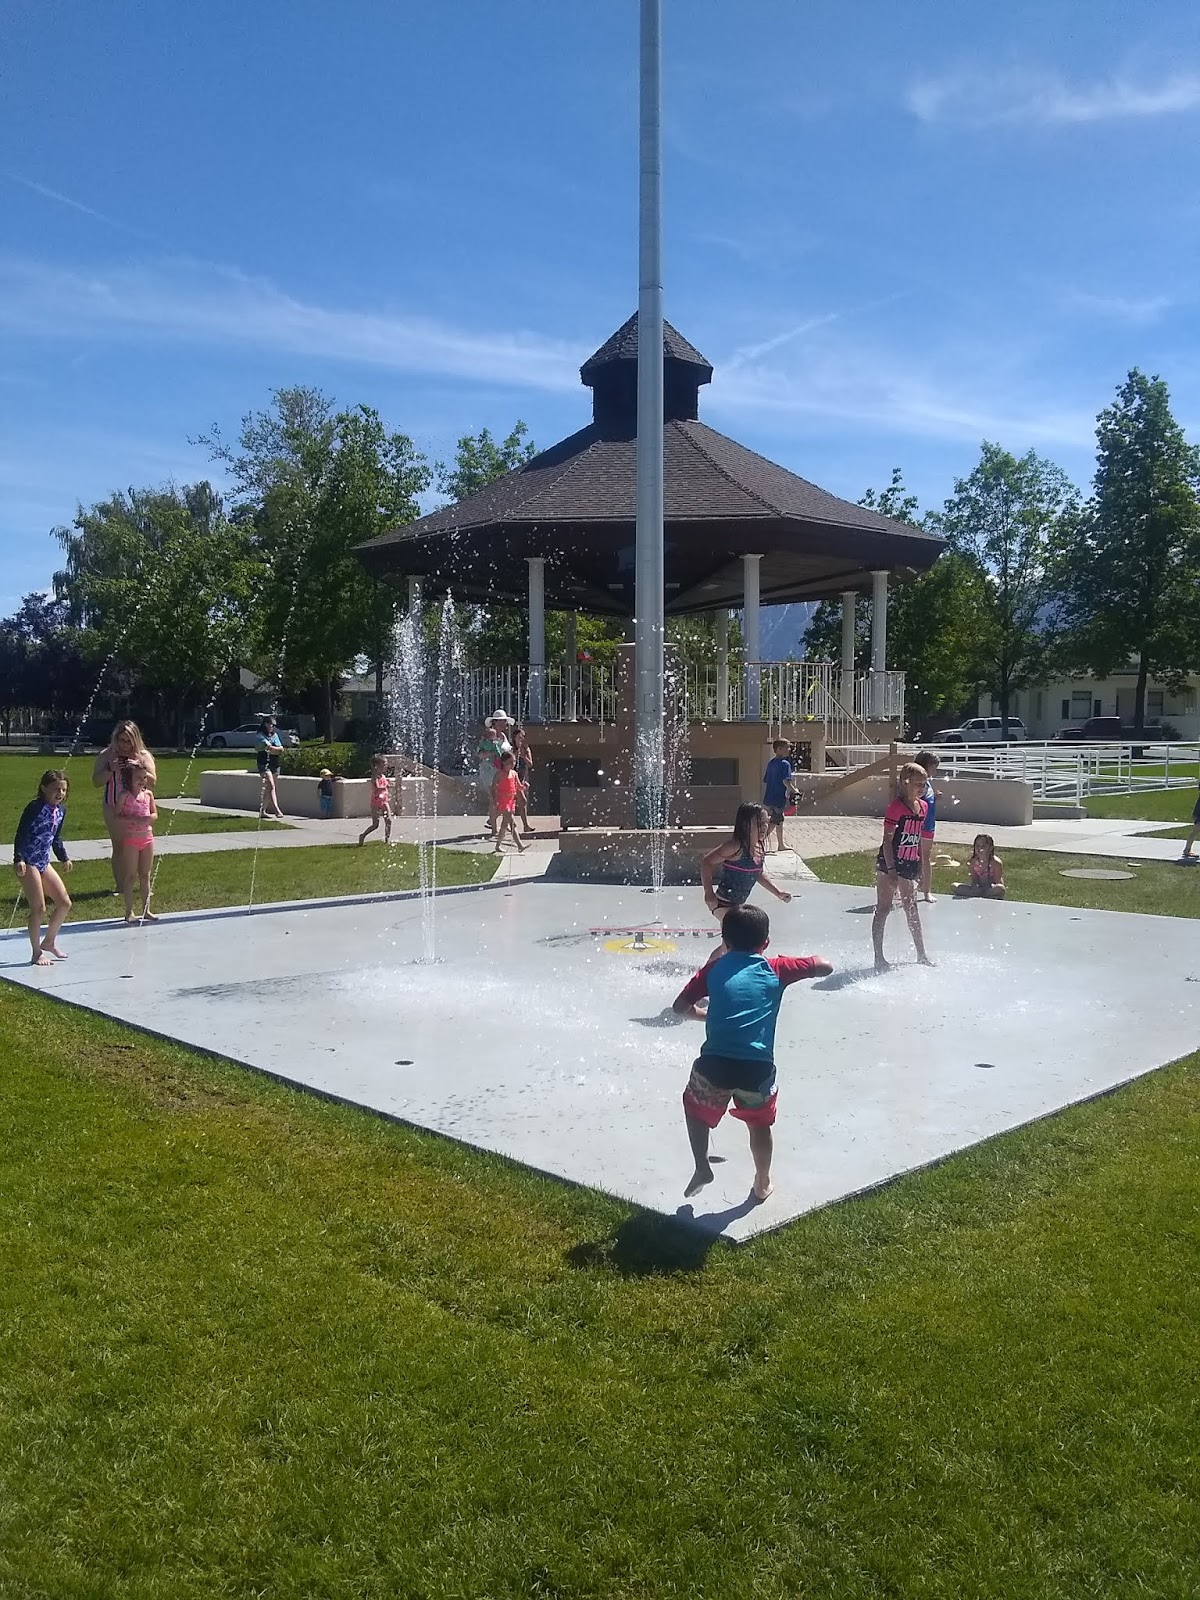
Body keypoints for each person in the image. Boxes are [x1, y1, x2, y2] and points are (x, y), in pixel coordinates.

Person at [673, 904, 832, 1202]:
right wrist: (794, 964)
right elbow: (825, 966)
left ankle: (701, 1166)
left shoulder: (714, 969)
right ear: (766, 943)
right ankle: (762, 1181)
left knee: (695, 1109)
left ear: (725, 941)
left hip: (714, 1066)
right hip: (756, 1071)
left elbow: (679, 1008)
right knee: (759, 1125)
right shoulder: (776, 967)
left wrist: (706, 1016)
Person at [701, 803, 792, 954]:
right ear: (745, 824)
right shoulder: (735, 846)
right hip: (722, 903)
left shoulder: (759, 847)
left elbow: (757, 872)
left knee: (748, 940)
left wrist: (778, 893)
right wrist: (708, 892)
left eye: (766, 822)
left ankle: (719, 970)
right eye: (759, 823)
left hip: (737, 906)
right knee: (737, 942)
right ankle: (707, 974)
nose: (764, 827)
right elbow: (707, 861)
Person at [873, 761, 935, 973]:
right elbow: (887, 841)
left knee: (912, 908)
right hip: (890, 862)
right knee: (883, 908)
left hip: (908, 861)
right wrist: (891, 871)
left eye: (925, 784)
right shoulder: (896, 807)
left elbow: (916, 836)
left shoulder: (923, 806)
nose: (922, 788)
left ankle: (921, 953)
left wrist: (918, 859)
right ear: (905, 783)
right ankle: (879, 957)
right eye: (918, 783)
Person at [13, 768, 73, 965]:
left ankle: (49, 941)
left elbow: (55, 838)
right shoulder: (35, 807)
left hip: (43, 861)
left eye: (63, 790)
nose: (60, 794)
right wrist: (19, 858)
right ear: (43, 788)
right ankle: (36, 952)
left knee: (64, 903)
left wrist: (64, 857)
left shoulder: (60, 811)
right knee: (38, 908)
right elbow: (21, 833)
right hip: (28, 861)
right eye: (56, 789)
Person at [92, 721, 157, 893]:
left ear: (135, 740)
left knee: (141, 845)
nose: (124, 745)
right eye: (121, 740)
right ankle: (121, 886)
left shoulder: (143, 755)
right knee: (119, 846)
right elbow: (96, 781)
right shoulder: (107, 755)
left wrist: (137, 766)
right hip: (113, 805)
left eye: (128, 741)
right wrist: (110, 769)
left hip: (138, 808)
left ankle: (143, 884)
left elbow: (153, 781)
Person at [114, 761, 159, 923]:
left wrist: (149, 818)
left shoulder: (148, 795)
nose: (142, 781)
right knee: (130, 875)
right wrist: (132, 818)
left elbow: (155, 814)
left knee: (145, 875)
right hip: (131, 839)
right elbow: (117, 815)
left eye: (144, 777)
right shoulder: (124, 796)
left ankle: (147, 909)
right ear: (129, 779)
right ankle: (129, 911)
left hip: (147, 838)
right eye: (138, 778)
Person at [476, 712, 513, 837]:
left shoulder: (503, 736)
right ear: (494, 722)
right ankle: (494, 827)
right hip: (489, 771)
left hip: (501, 772)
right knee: (494, 799)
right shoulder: (487, 738)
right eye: (500, 721)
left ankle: (495, 821)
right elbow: (480, 754)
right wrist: (493, 753)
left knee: (502, 798)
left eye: (504, 721)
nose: (503, 723)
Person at [915, 750, 941, 903]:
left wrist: (934, 796)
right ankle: (918, 890)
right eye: (934, 767)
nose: (935, 770)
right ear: (926, 765)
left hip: (928, 825)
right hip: (919, 825)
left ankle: (926, 891)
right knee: (914, 857)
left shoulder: (927, 782)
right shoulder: (919, 783)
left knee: (924, 857)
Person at [762, 739, 796, 853]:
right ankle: (760, 842)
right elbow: (785, 782)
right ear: (779, 749)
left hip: (768, 797)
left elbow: (766, 780)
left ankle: (781, 844)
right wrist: (794, 791)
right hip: (778, 798)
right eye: (787, 747)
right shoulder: (785, 764)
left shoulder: (771, 763)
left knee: (779, 820)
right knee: (775, 821)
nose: (789, 749)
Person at [490, 750, 527, 854]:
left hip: (511, 801)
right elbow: (493, 787)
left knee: (504, 825)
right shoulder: (499, 774)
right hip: (503, 801)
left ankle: (498, 845)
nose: (512, 764)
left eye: (514, 762)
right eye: (510, 762)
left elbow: (518, 786)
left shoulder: (514, 774)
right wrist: (495, 799)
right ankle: (520, 845)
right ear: (503, 762)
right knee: (512, 823)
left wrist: (524, 787)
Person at [954, 834, 1007, 899]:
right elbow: (975, 880)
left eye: (983, 846)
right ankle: (980, 894)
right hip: (978, 888)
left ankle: (980, 894)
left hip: (991, 888)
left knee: (1000, 888)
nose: (980, 848)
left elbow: (997, 881)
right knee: (954, 886)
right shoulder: (972, 862)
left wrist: (987, 887)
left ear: (990, 848)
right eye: (977, 846)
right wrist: (975, 886)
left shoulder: (995, 863)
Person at [358, 756, 393, 846]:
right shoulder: (375, 776)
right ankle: (362, 835)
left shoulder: (383, 776)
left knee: (389, 820)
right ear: (377, 765)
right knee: (375, 825)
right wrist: (387, 785)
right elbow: (377, 788)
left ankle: (387, 840)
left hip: (384, 801)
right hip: (375, 803)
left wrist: (388, 784)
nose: (386, 765)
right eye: (384, 763)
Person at [255, 716, 286, 819]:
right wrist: (274, 749)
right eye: (270, 724)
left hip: (275, 763)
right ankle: (277, 810)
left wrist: (274, 749)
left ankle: (262, 811)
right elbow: (266, 747)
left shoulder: (275, 735)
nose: (271, 727)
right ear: (265, 724)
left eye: (273, 725)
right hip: (264, 763)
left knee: (270, 788)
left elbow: (281, 748)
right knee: (271, 785)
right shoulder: (260, 735)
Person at [511, 724, 536, 836]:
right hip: (512, 778)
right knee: (520, 801)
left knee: (521, 803)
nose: (521, 740)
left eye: (523, 737)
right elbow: (510, 764)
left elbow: (530, 764)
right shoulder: (511, 749)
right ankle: (504, 822)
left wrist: (524, 756)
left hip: (521, 778)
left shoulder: (526, 749)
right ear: (514, 738)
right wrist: (516, 755)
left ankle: (523, 825)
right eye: (519, 737)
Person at [1178, 780, 1200, 863]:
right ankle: (1187, 850)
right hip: (1199, 815)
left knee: (1195, 831)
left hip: (1198, 814)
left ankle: (1187, 849)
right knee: (1195, 831)